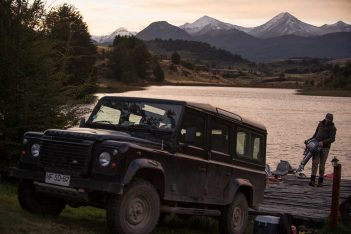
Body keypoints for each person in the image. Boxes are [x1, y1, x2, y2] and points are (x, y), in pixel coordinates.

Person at [307, 113, 336, 187]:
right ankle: (312, 180)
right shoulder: (320, 124)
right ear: (325, 118)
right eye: (327, 118)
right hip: (316, 146)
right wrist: (309, 140)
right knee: (315, 163)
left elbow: (332, 139)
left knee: (322, 165)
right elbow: (315, 135)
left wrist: (323, 142)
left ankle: (320, 182)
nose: (328, 120)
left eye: (329, 119)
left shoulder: (333, 128)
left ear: (331, 120)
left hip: (325, 148)